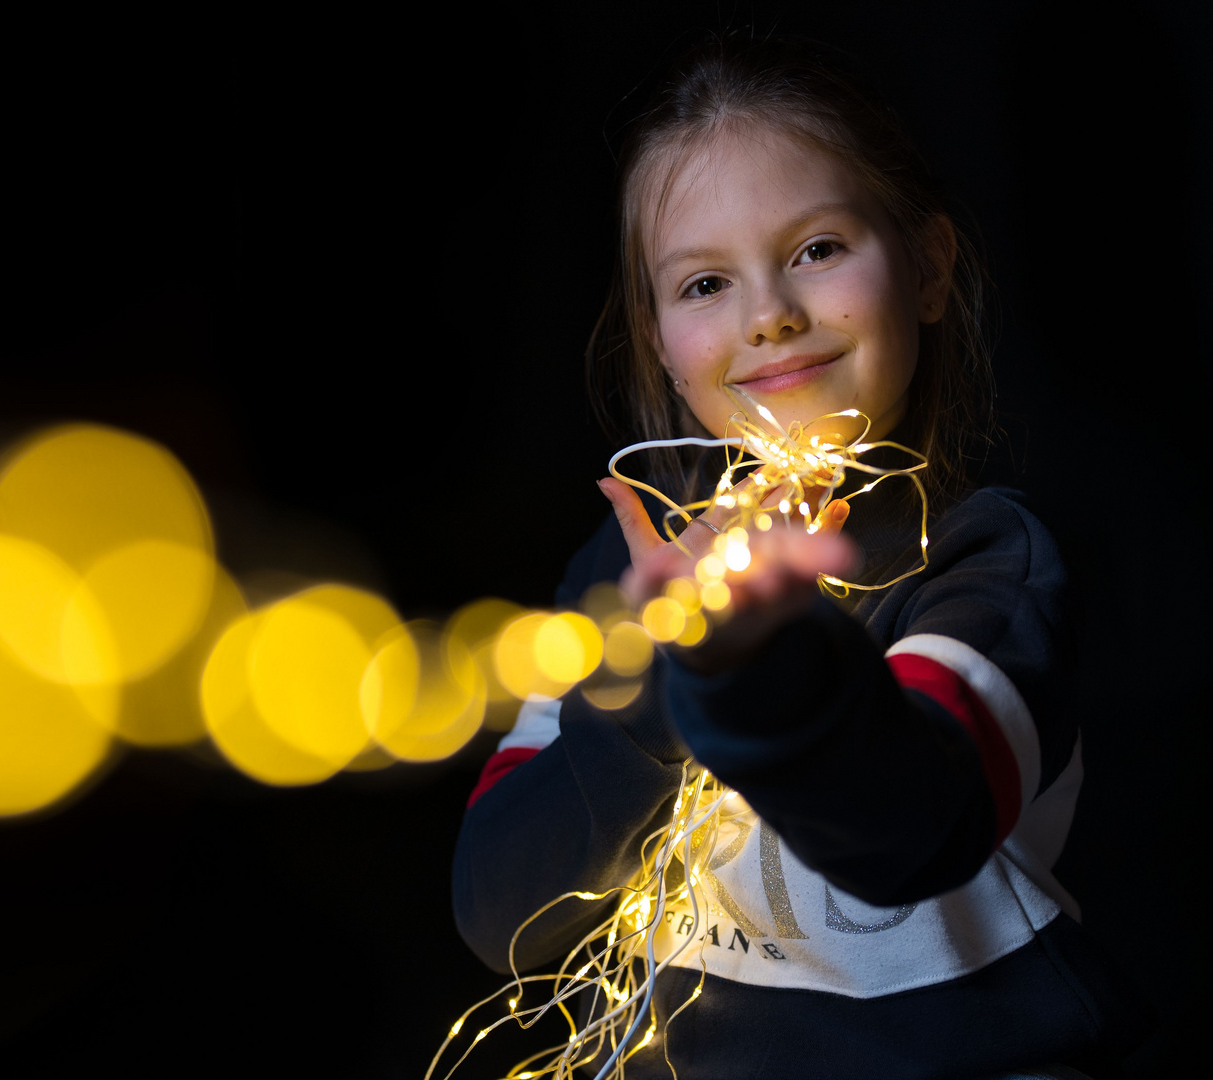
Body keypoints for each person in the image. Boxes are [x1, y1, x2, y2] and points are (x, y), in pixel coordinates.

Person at [451, 33, 1141, 1080]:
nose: (768, 316)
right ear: (660, 348)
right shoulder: (631, 562)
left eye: (816, 248)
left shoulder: (980, 563)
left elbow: (915, 830)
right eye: (702, 284)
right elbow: (501, 916)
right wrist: (649, 688)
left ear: (928, 269)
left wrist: (747, 671)